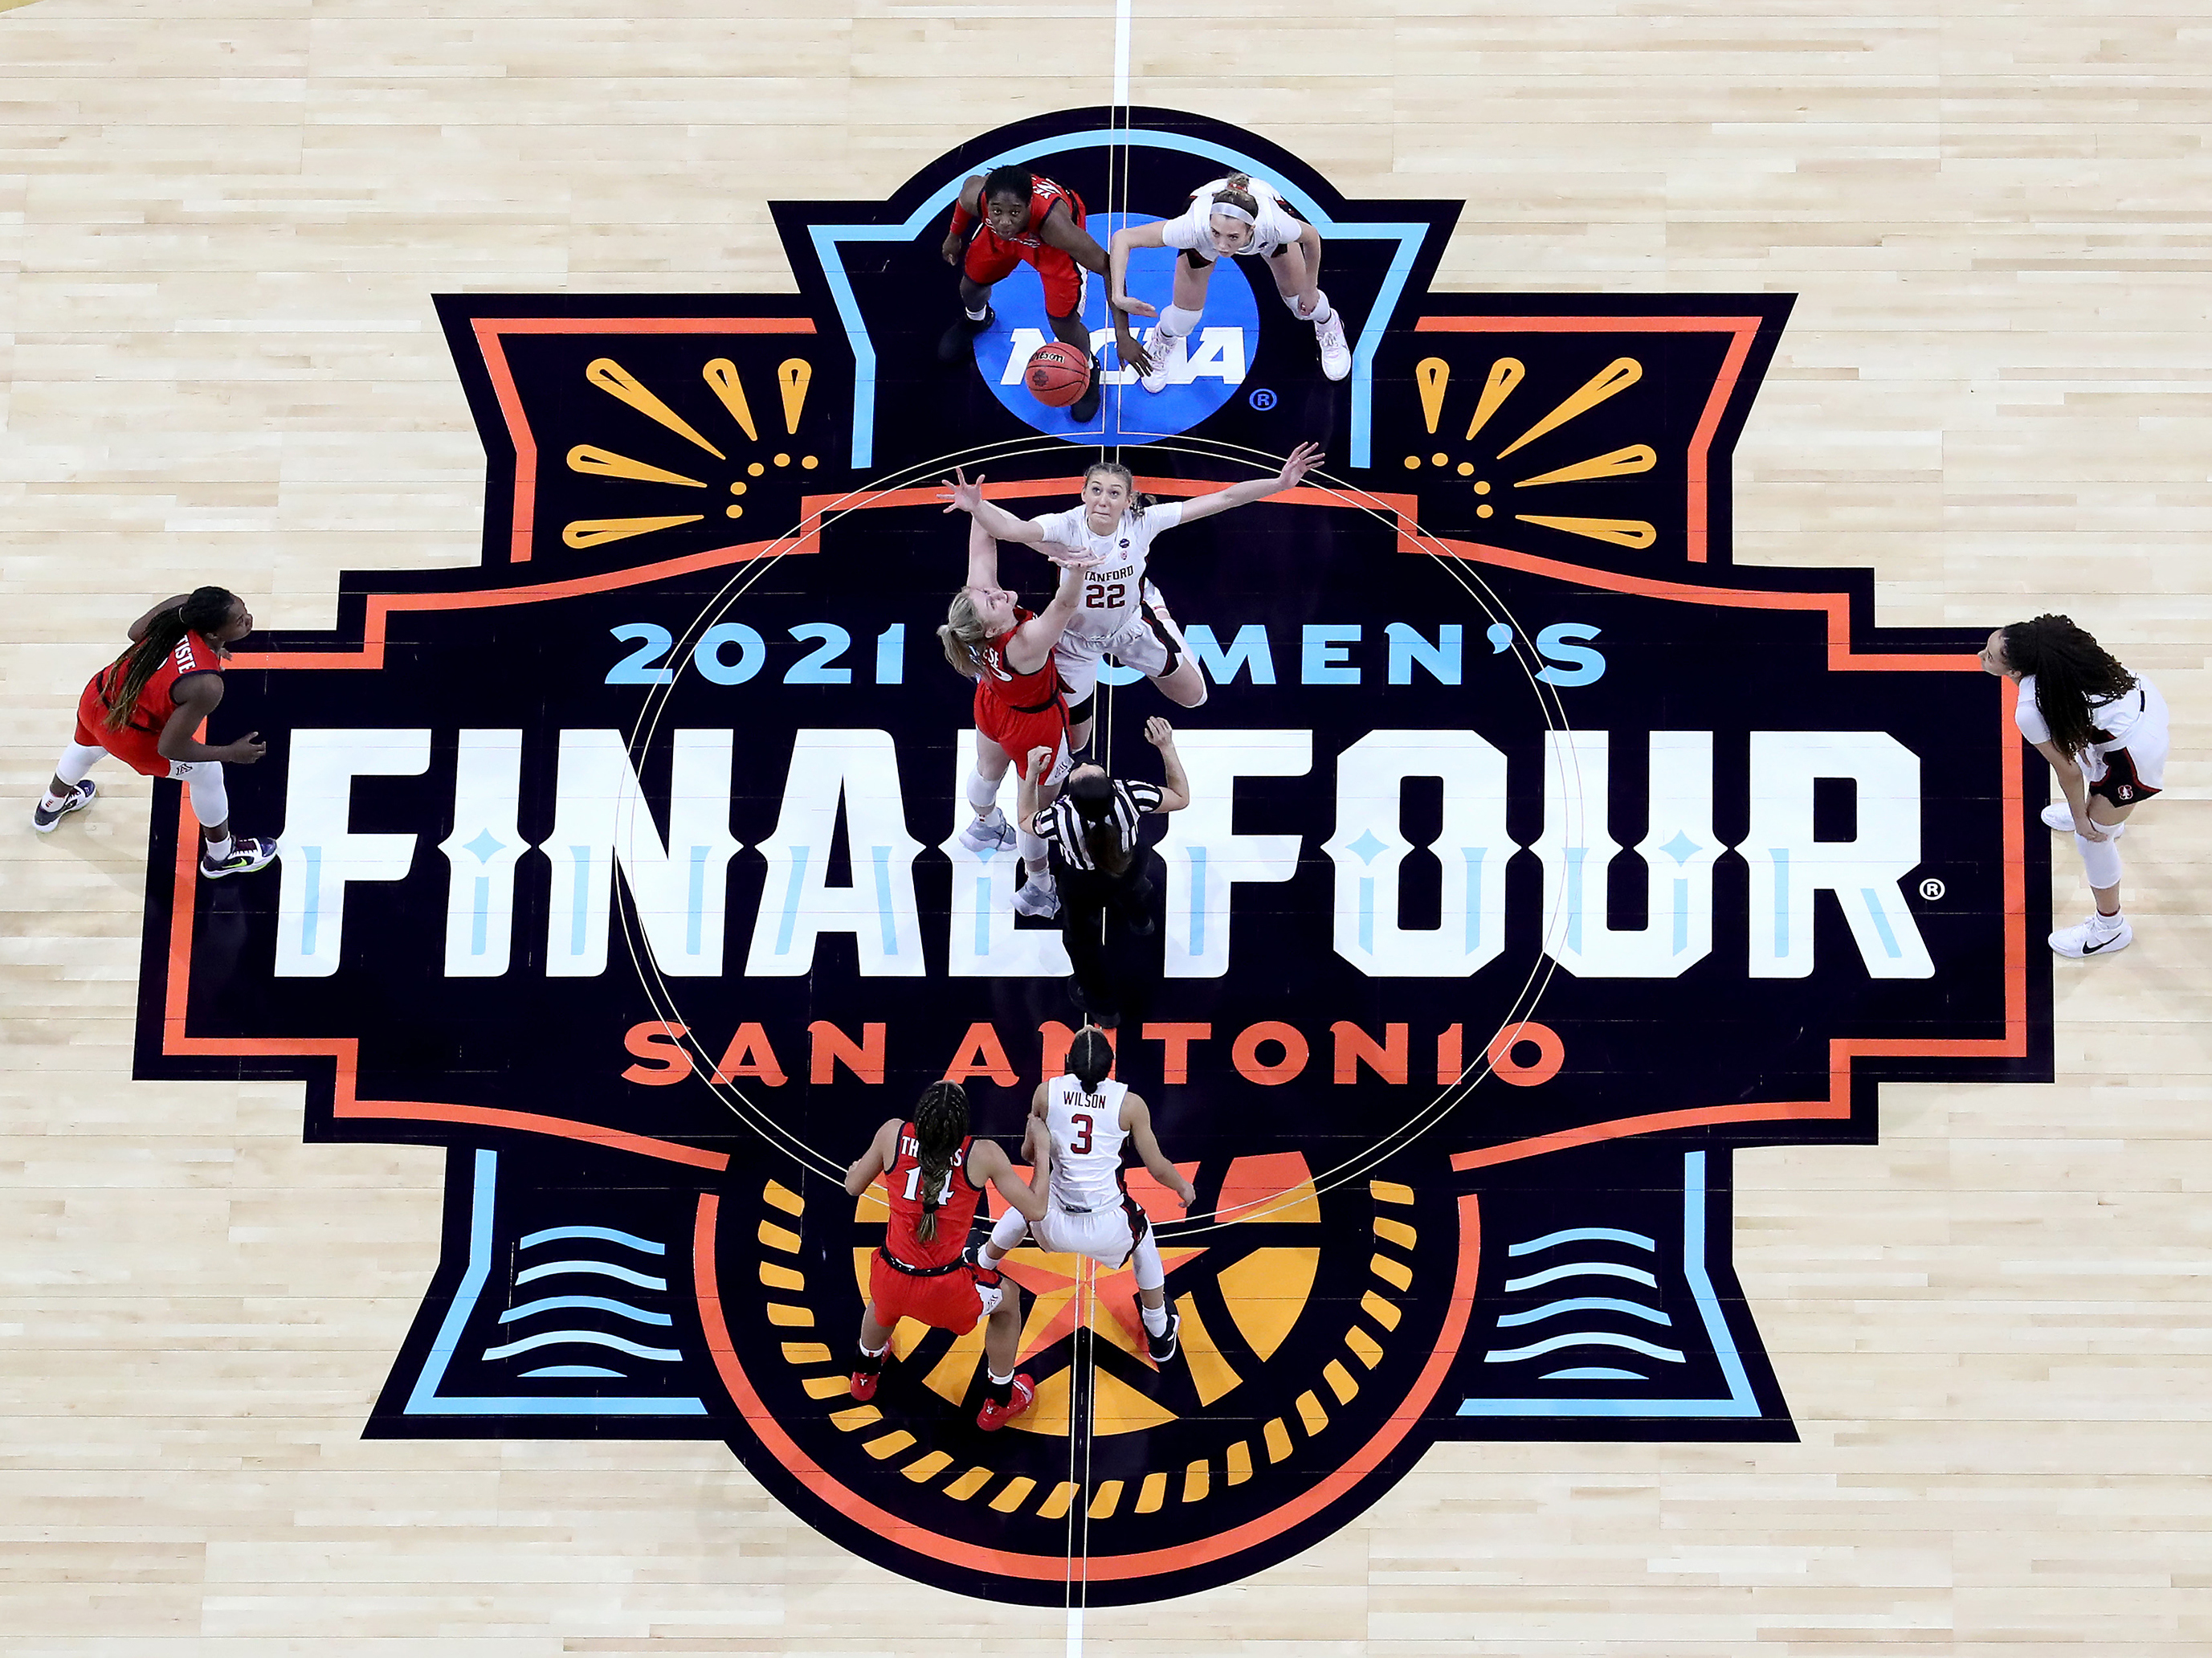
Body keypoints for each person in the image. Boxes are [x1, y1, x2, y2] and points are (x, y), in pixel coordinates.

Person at [940, 443, 1324, 750]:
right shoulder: (1065, 524)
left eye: (1114, 493)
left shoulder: (1143, 521)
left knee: (1196, 698)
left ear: (1128, 500)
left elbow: (1221, 500)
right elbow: (1013, 529)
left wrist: (1279, 483)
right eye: (1096, 490)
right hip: (1074, 641)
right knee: (1076, 744)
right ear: (1083, 493)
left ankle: (1158, 610)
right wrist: (977, 506)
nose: (1103, 500)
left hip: (1129, 625)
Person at [972, 1025, 1198, 1366]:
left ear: (1067, 1062)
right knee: (1144, 1237)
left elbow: (1028, 1154)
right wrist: (1182, 1185)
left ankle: (982, 1263)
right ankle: (1159, 1332)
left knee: (1025, 1203)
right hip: (1107, 1226)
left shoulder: (1046, 1094)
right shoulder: (1130, 1104)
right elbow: (1157, 1166)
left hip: (1053, 1221)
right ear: (1112, 1065)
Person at [843, 1080, 1054, 1430]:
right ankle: (999, 1399)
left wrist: (856, 1169)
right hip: (944, 1292)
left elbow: (853, 1186)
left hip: (891, 1276)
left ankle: (864, 1375)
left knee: (881, 1304)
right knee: (1010, 1300)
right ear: (962, 1126)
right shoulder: (981, 1154)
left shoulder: (891, 1134)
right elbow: (1036, 1209)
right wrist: (1043, 1152)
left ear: (919, 1118)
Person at [35, 587, 275, 877]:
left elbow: (135, 632)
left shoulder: (182, 608)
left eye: (244, 610)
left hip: (99, 696)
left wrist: (209, 648)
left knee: (87, 746)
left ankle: (49, 807)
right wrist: (230, 753)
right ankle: (222, 856)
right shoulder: (207, 686)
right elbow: (170, 748)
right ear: (212, 633)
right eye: (238, 620)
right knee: (208, 772)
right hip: (130, 735)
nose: (247, 619)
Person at [1980, 615, 2169, 958]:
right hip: (2144, 699)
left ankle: (2110, 929)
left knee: (2092, 840)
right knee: (2083, 749)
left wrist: (2082, 818)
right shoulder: (2058, 652)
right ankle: (2107, 814)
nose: (1980, 656)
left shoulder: (2029, 710)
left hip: (2134, 751)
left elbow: (2067, 770)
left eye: (1990, 656)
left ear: (2016, 672)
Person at [937, 519, 1084, 919]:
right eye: (991, 600)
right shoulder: (1024, 643)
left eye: (986, 592)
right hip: (1035, 728)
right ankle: (1039, 886)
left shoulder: (973, 621)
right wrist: (1076, 569)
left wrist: (975, 509)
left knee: (987, 771)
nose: (995, 592)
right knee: (1034, 815)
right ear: (989, 626)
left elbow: (983, 550)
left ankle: (984, 824)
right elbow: (1066, 606)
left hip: (993, 704)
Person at [1108, 173, 1350, 391]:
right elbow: (1123, 238)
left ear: (1251, 229)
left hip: (1264, 218)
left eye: (1233, 237)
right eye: (1217, 234)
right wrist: (1118, 296)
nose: (1222, 246)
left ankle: (1328, 322)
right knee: (1183, 322)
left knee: (1301, 304)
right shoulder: (1193, 228)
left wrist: (1310, 288)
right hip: (1202, 225)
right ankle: (1164, 336)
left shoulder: (1274, 225)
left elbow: (1311, 237)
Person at [937, 164, 1134, 426]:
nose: (1005, 221)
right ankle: (977, 319)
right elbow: (963, 201)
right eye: (997, 212)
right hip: (1001, 242)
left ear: (1029, 205)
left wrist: (1123, 334)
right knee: (970, 286)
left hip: (1051, 248)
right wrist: (953, 236)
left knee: (1063, 322)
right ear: (987, 203)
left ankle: (1085, 369)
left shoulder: (1057, 226)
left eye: (1015, 213)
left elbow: (1110, 270)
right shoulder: (978, 194)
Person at [1028, 717, 1190, 1028]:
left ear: (1071, 799)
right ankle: (1141, 919)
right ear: (1111, 788)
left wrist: (1032, 777)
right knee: (1134, 886)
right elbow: (1181, 798)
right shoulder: (1130, 794)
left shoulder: (1061, 817)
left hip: (1082, 885)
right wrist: (1166, 747)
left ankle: (1104, 1007)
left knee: (1081, 942)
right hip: (1128, 865)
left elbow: (1026, 820)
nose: (1083, 763)